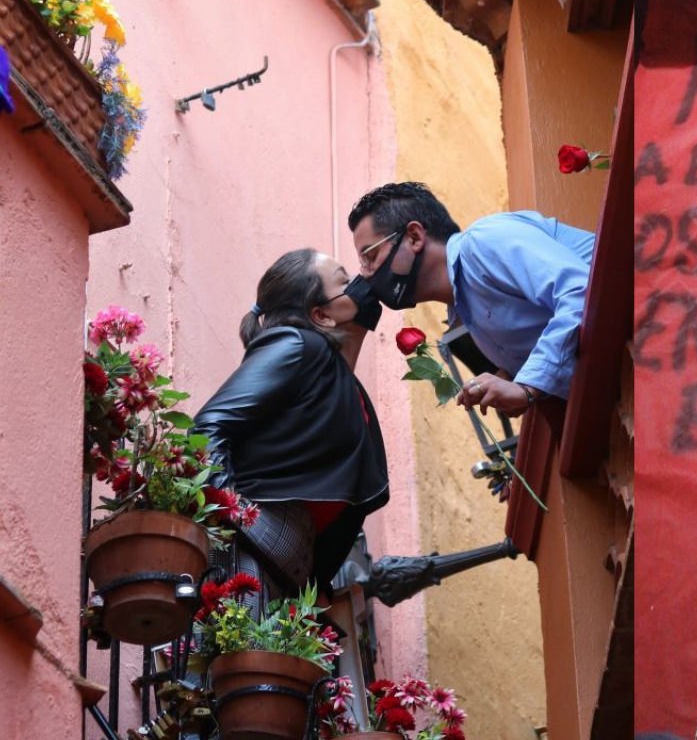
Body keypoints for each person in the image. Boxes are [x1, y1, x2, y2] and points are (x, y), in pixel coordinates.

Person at [192, 248, 389, 613]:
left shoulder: (326, 364)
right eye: (345, 282)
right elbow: (208, 425)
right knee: (241, 664)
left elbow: (338, 381)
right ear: (320, 314)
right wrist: (232, 513)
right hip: (254, 544)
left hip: (284, 561)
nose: (356, 288)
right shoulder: (295, 343)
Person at [346, 181, 595, 418]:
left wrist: (527, 387)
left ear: (414, 237)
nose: (366, 273)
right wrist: (508, 377)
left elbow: (580, 291)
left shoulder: (484, 241)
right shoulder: (464, 308)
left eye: (370, 255)